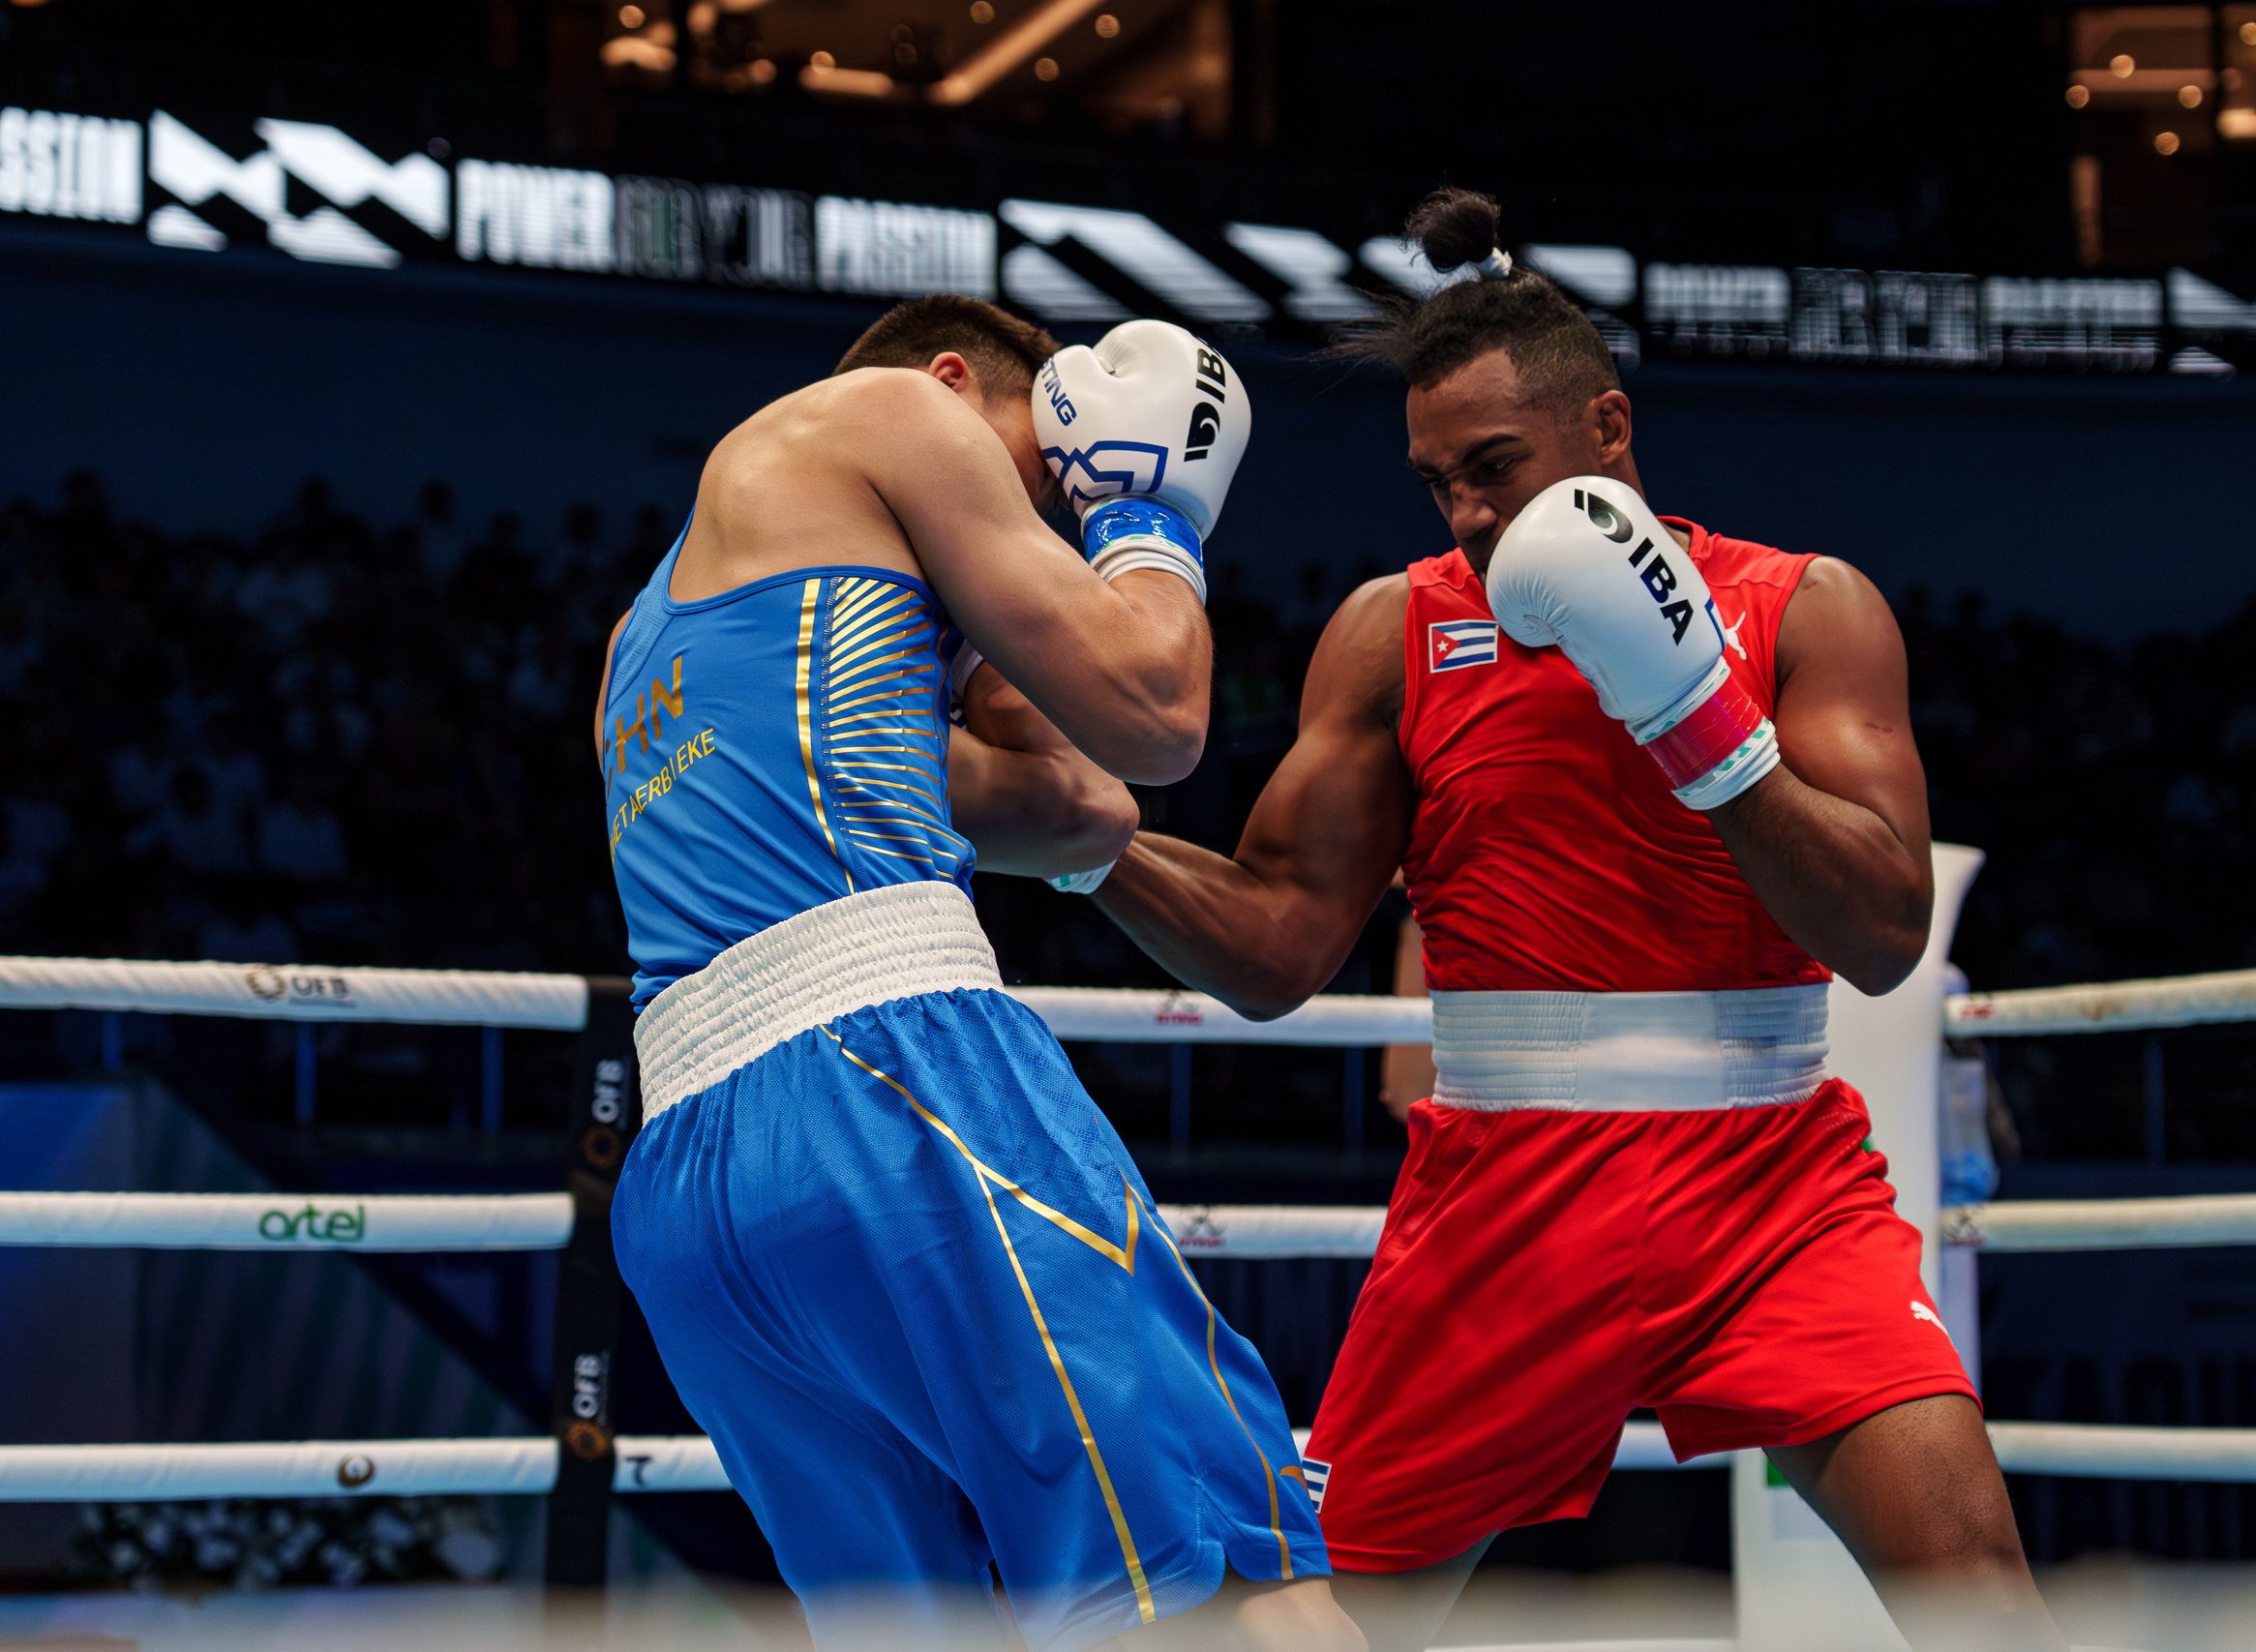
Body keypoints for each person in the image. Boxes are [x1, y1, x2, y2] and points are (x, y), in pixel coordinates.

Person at [1079, 193, 2064, 1652]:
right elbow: (1281, 941)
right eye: (1438, 484)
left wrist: (1696, 718)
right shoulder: (1394, 630)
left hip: (1776, 1186)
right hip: (1506, 1204)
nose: (1470, 518)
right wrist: (1086, 847)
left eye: (1495, 468)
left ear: (1608, 429)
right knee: (1325, 1627)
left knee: (1982, 1595)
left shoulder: (1804, 609)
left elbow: (1881, 932)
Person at [596, 296, 1359, 1652]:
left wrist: (986, 654)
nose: (1037, 548)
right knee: (1233, 1576)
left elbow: (1085, 814)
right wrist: (1145, 518)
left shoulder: (659, 638)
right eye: (1032, 492)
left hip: (691, 1198)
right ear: (954, 387)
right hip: (890, 1084)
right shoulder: (893, 416)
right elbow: (1160, 714)